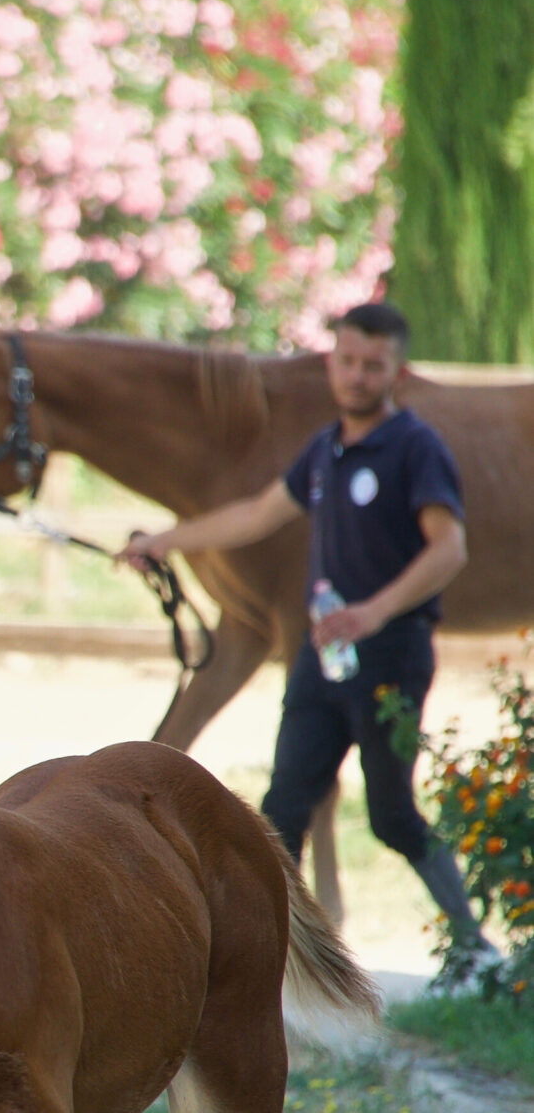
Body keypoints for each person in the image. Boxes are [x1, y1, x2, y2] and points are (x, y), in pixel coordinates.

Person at [122, 300, 490, 966]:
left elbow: (448, 550)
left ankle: (472, 945)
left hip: (391, 656)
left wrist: (373, 612)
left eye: (371, 366)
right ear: (331, 366)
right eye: (345, 362)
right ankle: (270, 961)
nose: (355, 376)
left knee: (391, 816)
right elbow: (257, 514)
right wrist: (163, 540)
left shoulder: (415, 448)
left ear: (396, 375)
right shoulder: (323, 451)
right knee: (280, 809)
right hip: (323, 660)